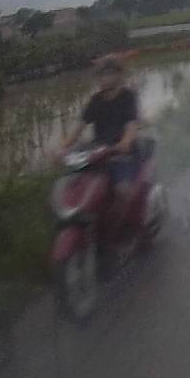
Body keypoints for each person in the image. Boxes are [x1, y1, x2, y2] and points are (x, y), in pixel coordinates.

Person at [59, 56, 141, 240]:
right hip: (99, 154)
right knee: (75, 185)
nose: (105, 78)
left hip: (122, 154)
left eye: (110, 73)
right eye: (102, 74)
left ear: (119, 75)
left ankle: (124, 229)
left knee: (123, 190)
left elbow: (132, 124)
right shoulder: (95, 100)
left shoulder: (127, 97)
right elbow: (78, 128)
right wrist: (62, 149)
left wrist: (125, 142)